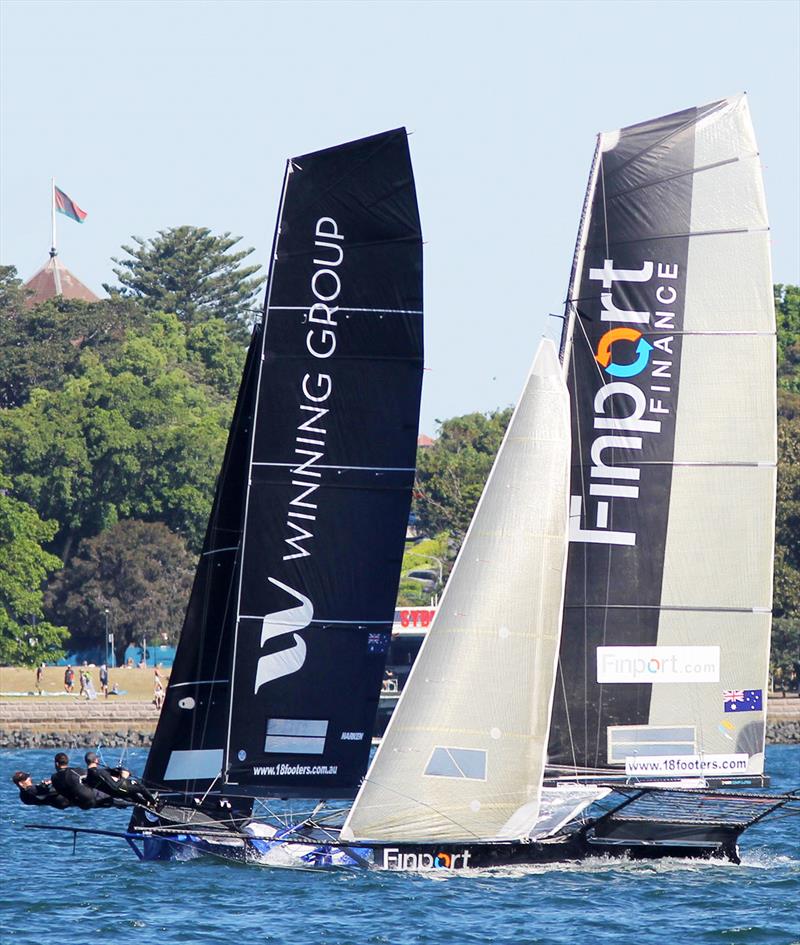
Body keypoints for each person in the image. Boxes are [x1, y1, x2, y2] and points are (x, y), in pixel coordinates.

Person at [83, 752, 158, 808]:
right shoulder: (100, 772)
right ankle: (154, 803)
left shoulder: (89, 776)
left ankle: (147, 804)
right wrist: (124, 776)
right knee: (138, 785)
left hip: (115, 793)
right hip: (119, 790)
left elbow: (104, 776)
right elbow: (115, 786)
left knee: (132, 794)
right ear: (96, 760)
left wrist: (117, 770)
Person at [50, 752, 115, 810]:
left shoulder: (53, 778)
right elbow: (91, 775)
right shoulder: (75, 771)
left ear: (57, 764)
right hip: (89, 799)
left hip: (76, 802)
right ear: (67, 762)